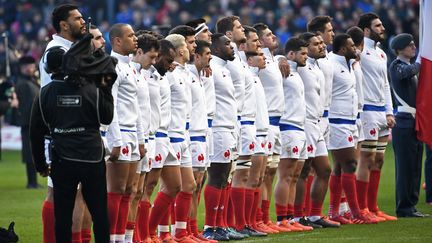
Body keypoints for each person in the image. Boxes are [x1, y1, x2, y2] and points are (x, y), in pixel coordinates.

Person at [30, 33, 116, 243]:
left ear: (49, 69)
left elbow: (35, 133)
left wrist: (41, 165)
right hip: (92, 158)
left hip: (63, 160)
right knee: (99, 213)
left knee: (63, 216)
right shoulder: (91, 89)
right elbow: (106, 117)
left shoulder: (44, 93)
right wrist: (106, 89)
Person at [38, 4, 87, 243]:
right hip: (61, 132)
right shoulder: (56, 52)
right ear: (64, 25)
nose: (83, 21)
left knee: (76, 193)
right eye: (77, 19)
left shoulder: (70, 48)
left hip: (75, 132)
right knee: (58, 192)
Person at [327, 34, 378, 224]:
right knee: (350, 165)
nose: (355, 49)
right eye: (350, 46)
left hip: (351, 120)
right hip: (338, 121)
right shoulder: (331, 64)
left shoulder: (350, 65)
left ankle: (335, 211)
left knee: (340, 167)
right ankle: (356, 212)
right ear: (341, 49)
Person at [357, 13, 397, 221]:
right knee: (366, 159)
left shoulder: (381, 54)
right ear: (366, 30)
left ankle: (373, 207)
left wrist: (389, 112)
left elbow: (385, 84)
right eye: (378, 25)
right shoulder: (359, 52)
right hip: (367, 112)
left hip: (381, 111)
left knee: (379, 159)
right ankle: (361, 209)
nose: (382, 28)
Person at [296, 32, 339, 228]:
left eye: (322, 43)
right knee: (304, 170)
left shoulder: (318, 67)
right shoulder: (300, 66)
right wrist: (281, 60)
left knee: (324, 169)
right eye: (316, 44)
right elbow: (281, 56)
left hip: (318, 122)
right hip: (304, 123)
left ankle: (313, 215)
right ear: (305, 48)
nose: (322, 46)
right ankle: (298, 216)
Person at [106, 23, 144, 243]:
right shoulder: (113, 67)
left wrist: (139, 139)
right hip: (120, 134)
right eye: (130, 36)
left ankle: (124, 238)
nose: (135, 39)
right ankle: (111, 238)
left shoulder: (130, 67)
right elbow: (111, 106)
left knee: (129, 189)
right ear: (117, 41)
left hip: (132, 135)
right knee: (117, 189)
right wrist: (116, 140)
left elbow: (135, 107)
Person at [274, 36, 313, 231]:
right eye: (303, 54)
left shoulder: (297, 72)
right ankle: (281, 218)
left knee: (296, 175)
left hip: (300, 127)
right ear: (291, 54)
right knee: (286, 175)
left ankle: (290, 218)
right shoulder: (282, 68)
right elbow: (268, 67)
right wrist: (279, 58)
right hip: (288, 126)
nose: (306, 57)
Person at [202, 33, 236, 241]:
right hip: (218, 127)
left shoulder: (223, 68)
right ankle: (209, 226)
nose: (230, 46)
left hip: (230, 127)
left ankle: (220, 225)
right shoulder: (211, 69)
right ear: (214, 49)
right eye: (226, 43)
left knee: (225, 177)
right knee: (218, 176)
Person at [389, 33, 426, 217]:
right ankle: (403, 207)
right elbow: (406, 73)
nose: (413, 47)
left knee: (414, 166)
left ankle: (411, 204)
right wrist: (420, 63)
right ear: (399, 49)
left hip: (413, 121)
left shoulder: (409, 67)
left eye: (414, 45)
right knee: (405, 167)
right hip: (403, 121)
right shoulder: (397, 66)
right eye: (410, 45)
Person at [15, 55, 40, 189]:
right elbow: (28, 107)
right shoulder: (24, 84)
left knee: (32, 152)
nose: (33, 68)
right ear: (23, 68)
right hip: (29, 123)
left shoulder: (30, 81)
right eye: (30, 66)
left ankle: (33, 181)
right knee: (30, 153)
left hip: (32, 123)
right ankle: (31, 182)